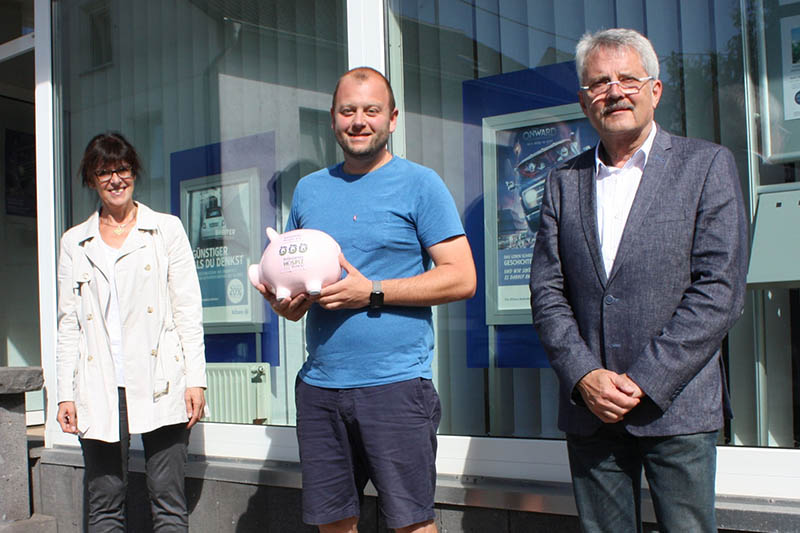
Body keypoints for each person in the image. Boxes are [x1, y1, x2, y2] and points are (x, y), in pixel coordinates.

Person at [529, 28, 748, 532]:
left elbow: (720, 291)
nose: (615, 91)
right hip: (592, 408)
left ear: (655, 90)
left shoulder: (707, 165)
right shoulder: (563, 181)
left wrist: (646, 380)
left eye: (628, 78)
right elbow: (547, 292)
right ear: (585, 101)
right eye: (599, 82)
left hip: (677, 404)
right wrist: (585, 376)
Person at [254, 67, 476, 533]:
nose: (359, 120)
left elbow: (461, 279)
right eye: (348, 111)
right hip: (321, 388)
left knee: (411, 525)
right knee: (334, 525)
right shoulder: (309, 190)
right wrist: (286, 303)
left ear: (392, 118)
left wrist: (371, 290)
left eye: (371, 110)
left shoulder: (421, 184)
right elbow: (301, 279)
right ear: (332, 120)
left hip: (395, 387)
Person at [55, 132, 207, 532]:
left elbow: (188, 309)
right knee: (104, 500)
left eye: (122, 169)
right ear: (91, 179)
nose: (115, 179)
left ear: (134, 173)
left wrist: (196, 380)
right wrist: (64, 394)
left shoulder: (165, 230)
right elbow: (68, 323)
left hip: (161, 378)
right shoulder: (75, 242)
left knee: (168, 498)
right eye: (104, 172)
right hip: (100, 384)